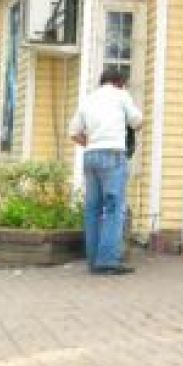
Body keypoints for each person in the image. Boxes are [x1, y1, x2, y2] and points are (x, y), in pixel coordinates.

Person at [68, 68, 143, 276]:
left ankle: (93, 259)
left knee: (92, 209)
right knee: (113, 208)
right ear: (119, 82)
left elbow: (73, 132)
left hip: (91, 156)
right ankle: (108, 261)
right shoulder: (121, 95)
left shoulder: (88, 100)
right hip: (113, 155)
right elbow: (137, 121)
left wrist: (91, 143)